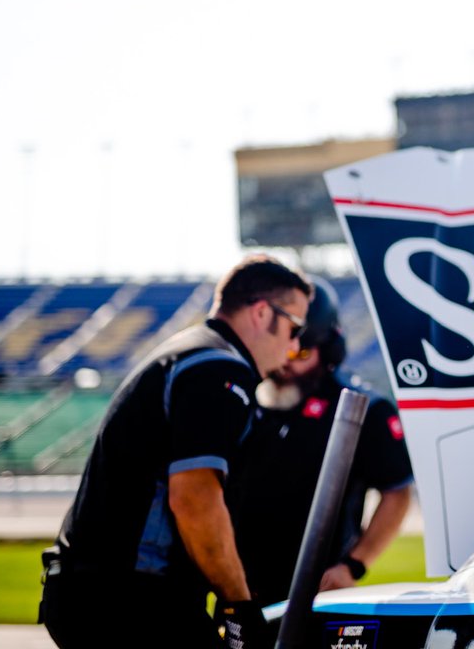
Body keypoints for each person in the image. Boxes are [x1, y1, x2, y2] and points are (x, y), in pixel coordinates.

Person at [39, 255, 311, 649]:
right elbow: (195, 498)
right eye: (295, 328)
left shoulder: (188, 352)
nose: (295, 346)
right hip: (130, 598)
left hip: (97, 590)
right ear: (261, 312)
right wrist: (240, 602)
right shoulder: (219, 368)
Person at [230, 277, 414, 608]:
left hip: (317, 596)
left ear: (328, 348)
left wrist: (354, 565)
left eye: (299, 351)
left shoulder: (362, 408)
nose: (284, 361)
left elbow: (397, 491)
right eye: (281, 346)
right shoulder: (241, 401)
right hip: (241, 590)